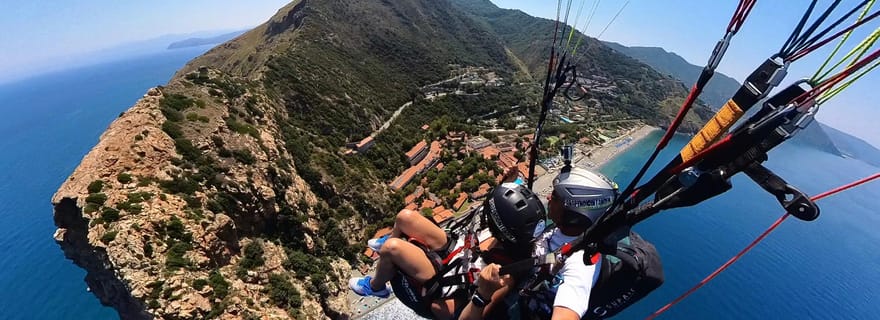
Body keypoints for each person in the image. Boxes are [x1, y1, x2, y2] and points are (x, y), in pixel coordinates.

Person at [349, 183, 548, 319]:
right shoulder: (506, 236)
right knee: (405, 217)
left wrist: (483, 294)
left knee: (392, 249)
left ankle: (376, 287)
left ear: (502, 228)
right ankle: (395, 238)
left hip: (447, 279)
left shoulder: (505, 276)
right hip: (457, 252)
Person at [472, 166, 619, 320]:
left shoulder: (580, 264)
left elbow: (568, 312)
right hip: (526, 276)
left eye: (555, 197)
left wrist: (482, 295)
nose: (548, 197)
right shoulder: (564, 230)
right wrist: (510, 183)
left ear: (573, 214)